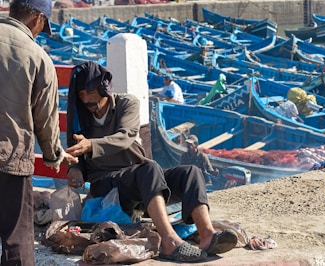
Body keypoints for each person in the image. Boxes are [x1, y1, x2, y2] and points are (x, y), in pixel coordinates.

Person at [65, 61, 238, 262]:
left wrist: (91, 145)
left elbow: (126, 136)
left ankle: (207, 234)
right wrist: (75, 168)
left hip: (140, 178)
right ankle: (169, 241)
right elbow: (74, 153)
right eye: (81, 95)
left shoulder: (127, 103)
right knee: (150, 169)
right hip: (108, 183)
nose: (86, 99)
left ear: (103, 88)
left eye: (90, 92)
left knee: (190, 172)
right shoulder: (80, 116)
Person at [0, 0, 79, 265]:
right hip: (9, 158)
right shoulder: (37, 56)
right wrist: (54, 154)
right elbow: (46, 118)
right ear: (38, 19)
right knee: (17, 237)